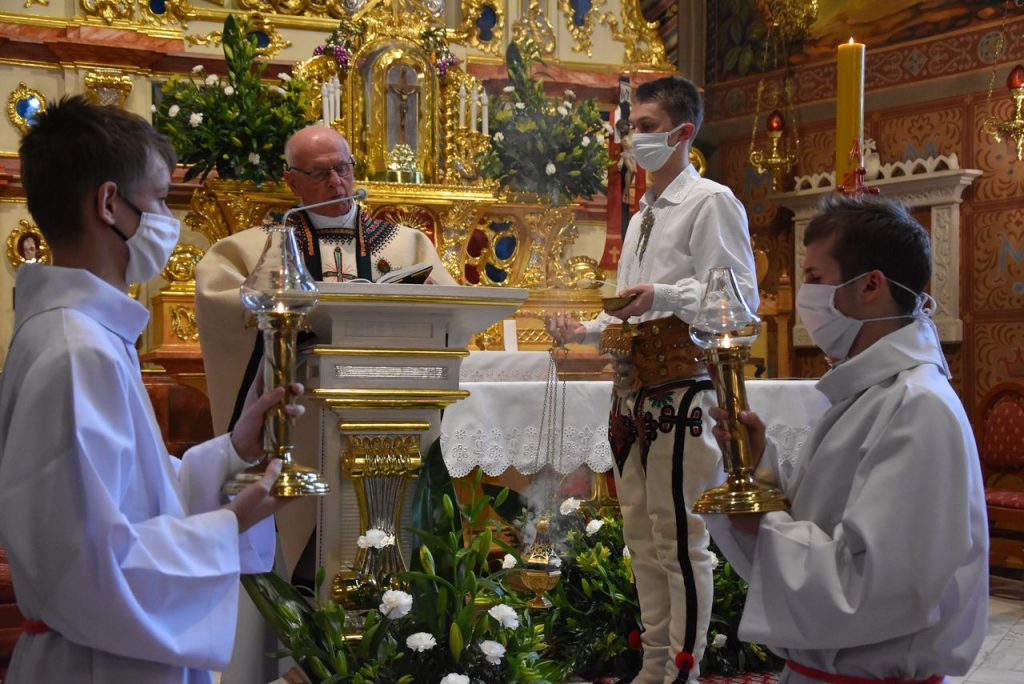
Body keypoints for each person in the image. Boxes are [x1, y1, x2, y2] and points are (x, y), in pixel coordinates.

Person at [0, 95, 296, 683]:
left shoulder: (88, 335)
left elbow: (130, 500)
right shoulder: (75, 351)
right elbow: (89, 565)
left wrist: (232, 452)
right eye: (159, 199)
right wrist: (229, 523)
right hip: (97, 665)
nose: (168, 220)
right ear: (109, 203)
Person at [195, 124, 456, 683]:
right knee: (305, 549)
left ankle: (397, 655)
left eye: (344, 168)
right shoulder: (257, 247)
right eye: (320, 173)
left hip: (393, 419)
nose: (338, 182)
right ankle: (306, 664)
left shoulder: (408, 245)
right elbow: (220, 296)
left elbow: (451, 309)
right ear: (291, 182)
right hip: (306, 425)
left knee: (394, 540)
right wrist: (293, 316)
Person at [707, 194, 988, 683]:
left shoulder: (918, 407)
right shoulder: (871, 393)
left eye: (815, 278)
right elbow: (827, 518)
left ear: (871, 285)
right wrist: (759, 471)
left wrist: (763, 523)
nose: (806, 296)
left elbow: (878, 586)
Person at [547, 75, 759, 683]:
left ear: (683, 132)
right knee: (642, 538)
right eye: (631, 127)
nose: (632, 137)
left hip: (683, 389)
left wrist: (662, 295)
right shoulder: (643, 213)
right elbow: (632, 310)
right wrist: (585, 330)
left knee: (679, 538)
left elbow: (738, 298)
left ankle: (682, 671)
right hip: (634, 391)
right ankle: (655, 663)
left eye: (645, 127)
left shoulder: (711, 202)